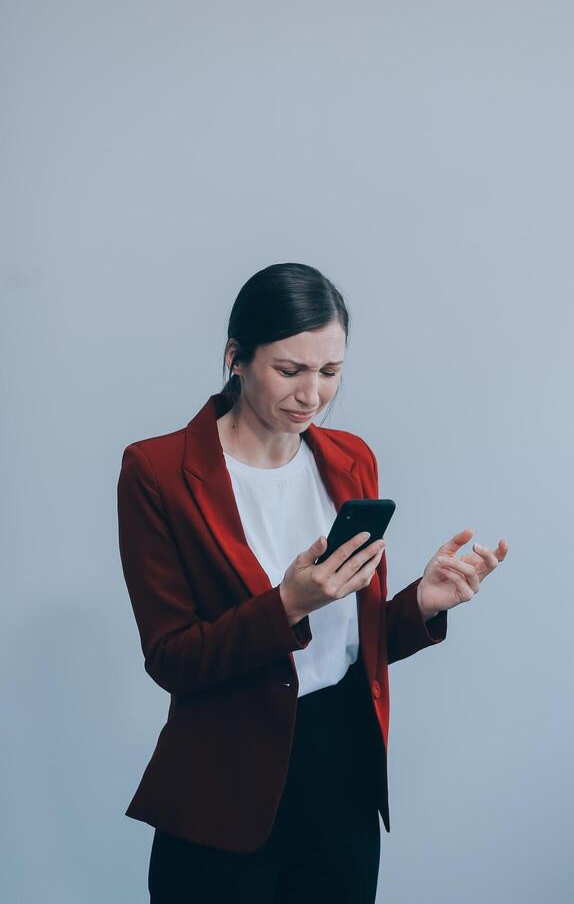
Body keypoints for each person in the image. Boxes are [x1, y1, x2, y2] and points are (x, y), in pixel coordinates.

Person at [116, 262, 508, 903]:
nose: (312, 395)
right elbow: (172, 658)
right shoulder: (157, 471)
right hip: (224, 780)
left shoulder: (351, 459)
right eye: (290, 370)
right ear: (235, 358)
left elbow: (352, 644)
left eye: (330, 372)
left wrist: (421, 604)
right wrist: (286, 605)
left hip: (343, 768)